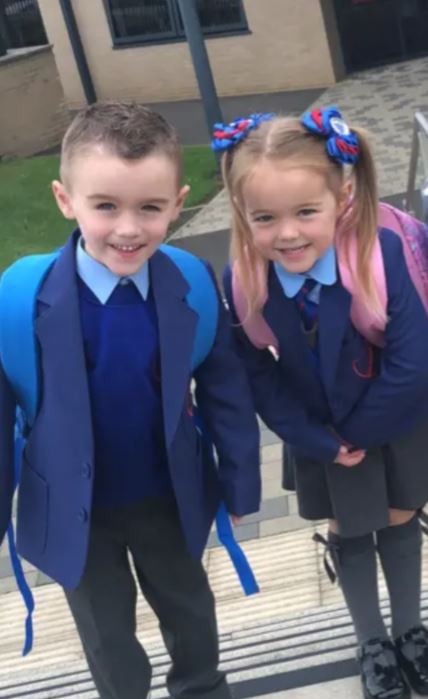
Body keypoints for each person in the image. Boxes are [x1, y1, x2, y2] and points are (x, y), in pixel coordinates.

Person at [0, 102, 261, 699]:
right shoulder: (21, 297)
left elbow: (224, 388)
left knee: (190, 607)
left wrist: (242, 481)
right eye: (105, 206)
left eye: (150, 207)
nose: (128, 228)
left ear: (179, 201)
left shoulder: (190, 281)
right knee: (105, 632)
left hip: (166, 493)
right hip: (72, 504)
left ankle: (201, 688)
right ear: (66, 200)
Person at [219, 107, 428, 699]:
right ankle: (371, 640)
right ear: (242, 215)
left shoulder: (380, 254)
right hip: (320, 430)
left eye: (305, 212)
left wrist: (355, 434)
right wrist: (318, 441)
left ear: (342, 197)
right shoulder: (245, 279)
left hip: (394, 418)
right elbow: (256, 373)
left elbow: (415, 362)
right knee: (349, 529)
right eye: (265, 218)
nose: (287, 233)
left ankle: (411, 629)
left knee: (400, 515)